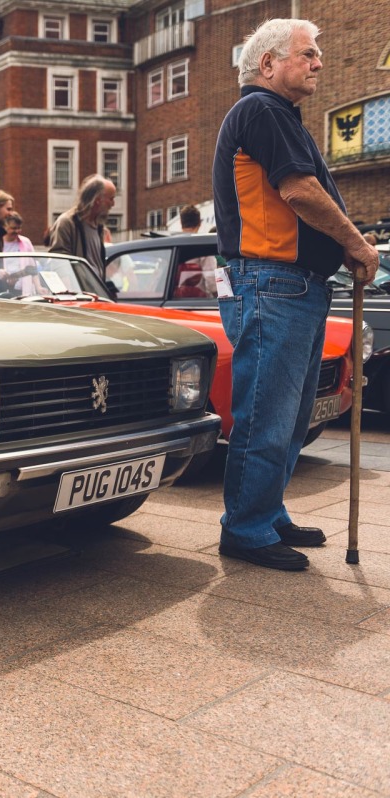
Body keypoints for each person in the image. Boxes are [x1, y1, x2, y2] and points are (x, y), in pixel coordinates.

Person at [213, 18, 378, 571]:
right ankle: (246, 527)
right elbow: (300, 190)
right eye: (308, 53)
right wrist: (356, 243)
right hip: (271, 282)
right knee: (267, 413)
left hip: (289, 284)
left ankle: (266, 511)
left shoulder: (278, 116)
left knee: (289, 415)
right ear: (269, 64)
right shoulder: (261, 110)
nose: (319, 61)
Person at [47, 175, 116, 279]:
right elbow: (59, 261)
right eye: (111, 199)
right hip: (79, 291)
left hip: (95, 290)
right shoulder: (67, 222)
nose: (113, 204)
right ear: (98, 200)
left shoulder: (99, 226)